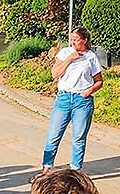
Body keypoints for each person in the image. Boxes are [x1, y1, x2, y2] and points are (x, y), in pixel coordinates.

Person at [33, 27, 103, 181]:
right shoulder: (65, 53)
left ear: (84, 40)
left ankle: (75, 171)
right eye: (71, 39)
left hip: (82, 101)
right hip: (63, 99)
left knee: (79, 137)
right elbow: (55, 74)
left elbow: (99, 81)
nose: (73, 42)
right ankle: (46, 168)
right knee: (53, 135)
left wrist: (89, 91)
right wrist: (70, 58)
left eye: (76, 39)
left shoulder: (91, 57)